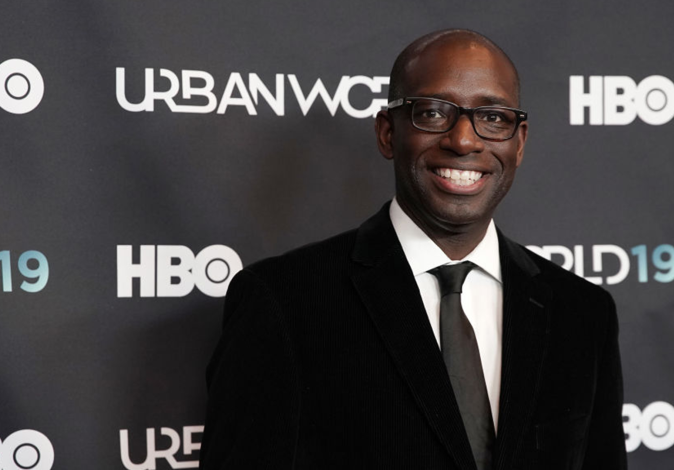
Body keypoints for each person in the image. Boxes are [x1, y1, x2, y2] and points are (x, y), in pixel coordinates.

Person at [199, 29, 627, 469]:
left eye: (493, 117)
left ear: (518, 143)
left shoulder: (583, 313)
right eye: (433, 112)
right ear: (388, 133)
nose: (464, 140)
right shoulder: (284, 301)